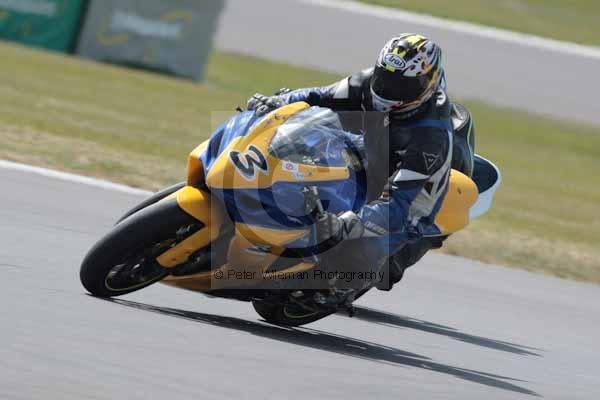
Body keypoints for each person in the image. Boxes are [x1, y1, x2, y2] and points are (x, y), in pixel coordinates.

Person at [247, 34, 475, 296]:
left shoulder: (430, 137)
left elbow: (398, 205)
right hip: (375, 157)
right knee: (313, 145)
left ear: (428, 86)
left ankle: (334, 290)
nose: (388, 88)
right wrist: (278, 103)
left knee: (356, 248)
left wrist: (347, 224)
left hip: (408, 204)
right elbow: (319, 95)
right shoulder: (369, 82)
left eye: (402, 85)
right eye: (384, 77)